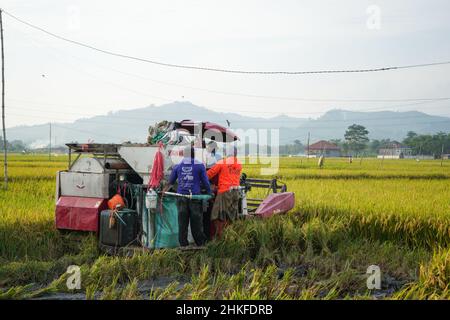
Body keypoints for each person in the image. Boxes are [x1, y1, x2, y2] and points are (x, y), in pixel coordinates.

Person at [164, 146, 211, 247]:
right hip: (195, 198)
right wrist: (209, 193)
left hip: (181, 197)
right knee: (196, 223)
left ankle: (183, 245)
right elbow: (206, 182)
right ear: (194, 154)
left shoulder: (177, 166)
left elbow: (170, 182)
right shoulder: (199, 165)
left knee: (182, 223)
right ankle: (200, 244)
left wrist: (163, 192)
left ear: (184, 154)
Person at [206, 145, 242, 239]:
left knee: (216, 215)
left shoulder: (222, 162)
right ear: (235, 153)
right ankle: (229, 237)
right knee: (231, 216)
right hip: (236, 192)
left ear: (226, 153)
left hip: (225, 192)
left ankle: (220, 237)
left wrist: (199, 176)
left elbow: (209, 174)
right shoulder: (239, 164)